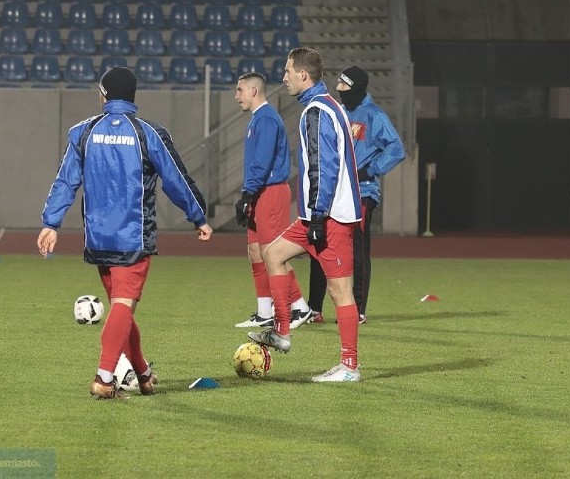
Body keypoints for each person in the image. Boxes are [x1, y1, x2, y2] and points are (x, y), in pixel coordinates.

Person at [37, 66, 212, 400]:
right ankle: (104, 378)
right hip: (133, 237)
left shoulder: (82, 132)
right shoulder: (149, 133)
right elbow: (176, 178)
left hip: (98, 239)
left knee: (122, 308)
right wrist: (198, 216)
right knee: (122, 306)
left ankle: (143, 373)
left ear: (103, 93)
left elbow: (65, 181)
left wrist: (51, 223)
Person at [247, 47, 363, 382]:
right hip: (319, 214)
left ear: (303, 74)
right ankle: (282, 331)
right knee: (274, 253)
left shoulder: (316, 111)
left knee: (340, 291)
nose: (283, 77)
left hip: (331, 218)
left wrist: (318, 217)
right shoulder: (326, 105)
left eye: (287, 71)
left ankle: (350, 366)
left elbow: (323, 167)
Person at [306, 65, 405, 325]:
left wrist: (370, 169)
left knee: (357, 250)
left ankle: (358, 308)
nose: (338, 89)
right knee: (319, 245)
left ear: (357, 88)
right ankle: (314, 308)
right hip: (335, 193)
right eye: (338, 83)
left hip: (362, 193)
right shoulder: (338, 112)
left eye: (344, 85)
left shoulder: (373, 115)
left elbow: (396, 149)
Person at [232, 71, 312, 329]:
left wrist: (247, 194)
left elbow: (263, 163)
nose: (236, 96)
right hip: (259, 191)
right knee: (255, 251)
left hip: (270, 192)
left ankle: (299, 307)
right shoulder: (258, 119)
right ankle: (264, 311)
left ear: (254, 91)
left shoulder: (266, 119)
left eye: (240, 90)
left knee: (272, 253)